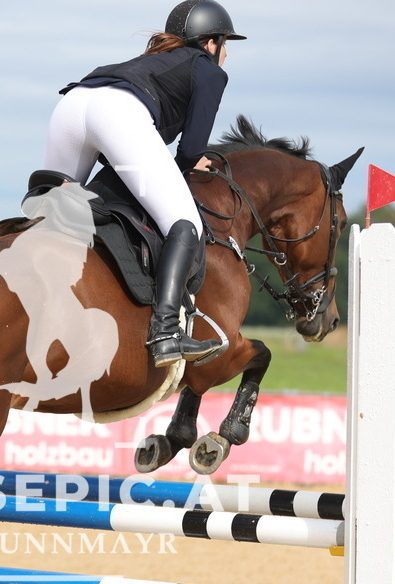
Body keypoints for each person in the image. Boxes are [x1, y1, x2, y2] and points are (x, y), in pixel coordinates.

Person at [42, 0, 245, 368]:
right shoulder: (209, 70)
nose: (226, 54)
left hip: (73, 104)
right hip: (118, 114)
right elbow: (191, 151)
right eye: (225, 44)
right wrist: (188, 163)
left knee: (49, 207)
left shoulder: (150, 61)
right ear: (211, 43)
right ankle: (166, 331)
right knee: (185, 224)